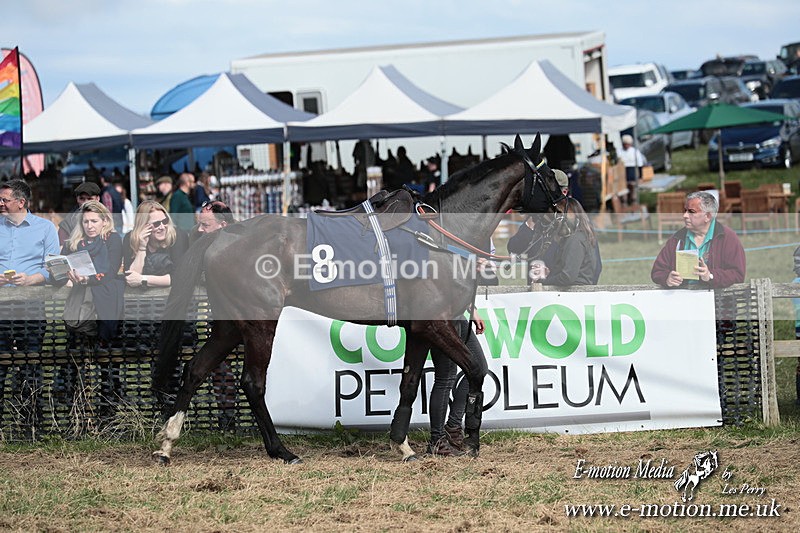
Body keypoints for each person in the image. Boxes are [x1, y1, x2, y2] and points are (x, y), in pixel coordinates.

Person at [50, 201, 125, 410]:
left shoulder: (112, 239)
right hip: (80, 306)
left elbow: (110, 270)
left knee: (107, 361)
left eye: (94, 221)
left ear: (104, 221)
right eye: (85, 221)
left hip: (104, 305)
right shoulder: (74, 243)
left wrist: (87, 279)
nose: (90, 225)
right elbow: (58, 273)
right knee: (76, 357)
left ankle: (109, 406)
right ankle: (76, 406)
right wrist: (60, 272)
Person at [0, 179, 60, 429]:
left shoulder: (45, 228)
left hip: (31, 305)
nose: (0, 203)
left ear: (21, 202)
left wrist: (34, 278)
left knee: (30, 364)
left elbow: (55, 266)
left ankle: (30, 423)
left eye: (5, 200)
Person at [192, 199, 239, 429]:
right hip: (221, 320)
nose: (200, 230)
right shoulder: (201, 243)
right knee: (221, 367)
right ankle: (226, 415)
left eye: (205, 225)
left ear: (222, 225)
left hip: (249, 319)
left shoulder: (243, 244)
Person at [651, 191, 745, 288]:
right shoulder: (677, 238)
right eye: (685, 210)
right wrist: (667, 278)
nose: (685, 216)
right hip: (682, 300)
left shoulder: (728, 238)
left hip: (716, 301)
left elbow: (738, 275)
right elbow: (657, 271)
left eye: (691, 212)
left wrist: (710, 276)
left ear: (707, 216)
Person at [427, 313, 488, 457]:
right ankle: (437, 440)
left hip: (456, 314)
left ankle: (453, 426)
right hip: (440, 317)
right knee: (445, 377)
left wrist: (473, 310)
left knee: (478, 369)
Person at [123, 200, 189, 289]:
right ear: (144, 226)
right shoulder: (130, 238)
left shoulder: (177, 236)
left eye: (165, 221)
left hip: (172, 295)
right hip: (141, 299)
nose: (162, 227)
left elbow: (179, 276)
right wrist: (142, 248)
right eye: (156, 224)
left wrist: (143, 279)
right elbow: (131, 278)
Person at [619, 134, 646, 205]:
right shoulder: (619, 151)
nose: (626, 146)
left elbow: (640, 164)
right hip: (623, 173)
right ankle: (624, 204)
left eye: (627, 144)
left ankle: (634, 204)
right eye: (625, 144)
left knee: (633, 191)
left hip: (633, 173)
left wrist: (641, 177)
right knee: (623, 192)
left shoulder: (635, 151)